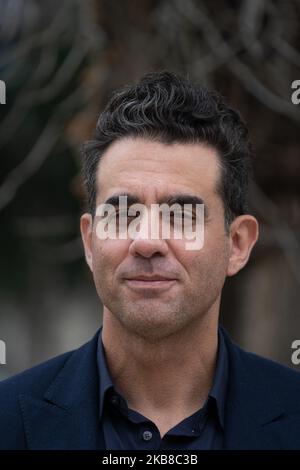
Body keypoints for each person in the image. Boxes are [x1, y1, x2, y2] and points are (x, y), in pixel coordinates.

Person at [1, 71, 300, 450]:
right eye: (124, 213)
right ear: (91, 242)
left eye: (181, 214)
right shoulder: (7, 422)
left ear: (237, 244)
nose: (147, 241)